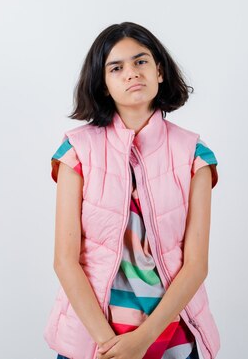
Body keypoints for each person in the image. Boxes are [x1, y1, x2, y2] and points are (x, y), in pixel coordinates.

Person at [44, 22, 220, 359]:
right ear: (104, 84)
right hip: (93, 336)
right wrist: (109, 345)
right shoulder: (76, 152)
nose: (131, 73)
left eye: (141, 62)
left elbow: (196, 264)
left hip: (172, 336)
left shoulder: (194, 154)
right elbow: (65, 261)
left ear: (160, 71)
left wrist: (142, 341)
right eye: (116, 67)